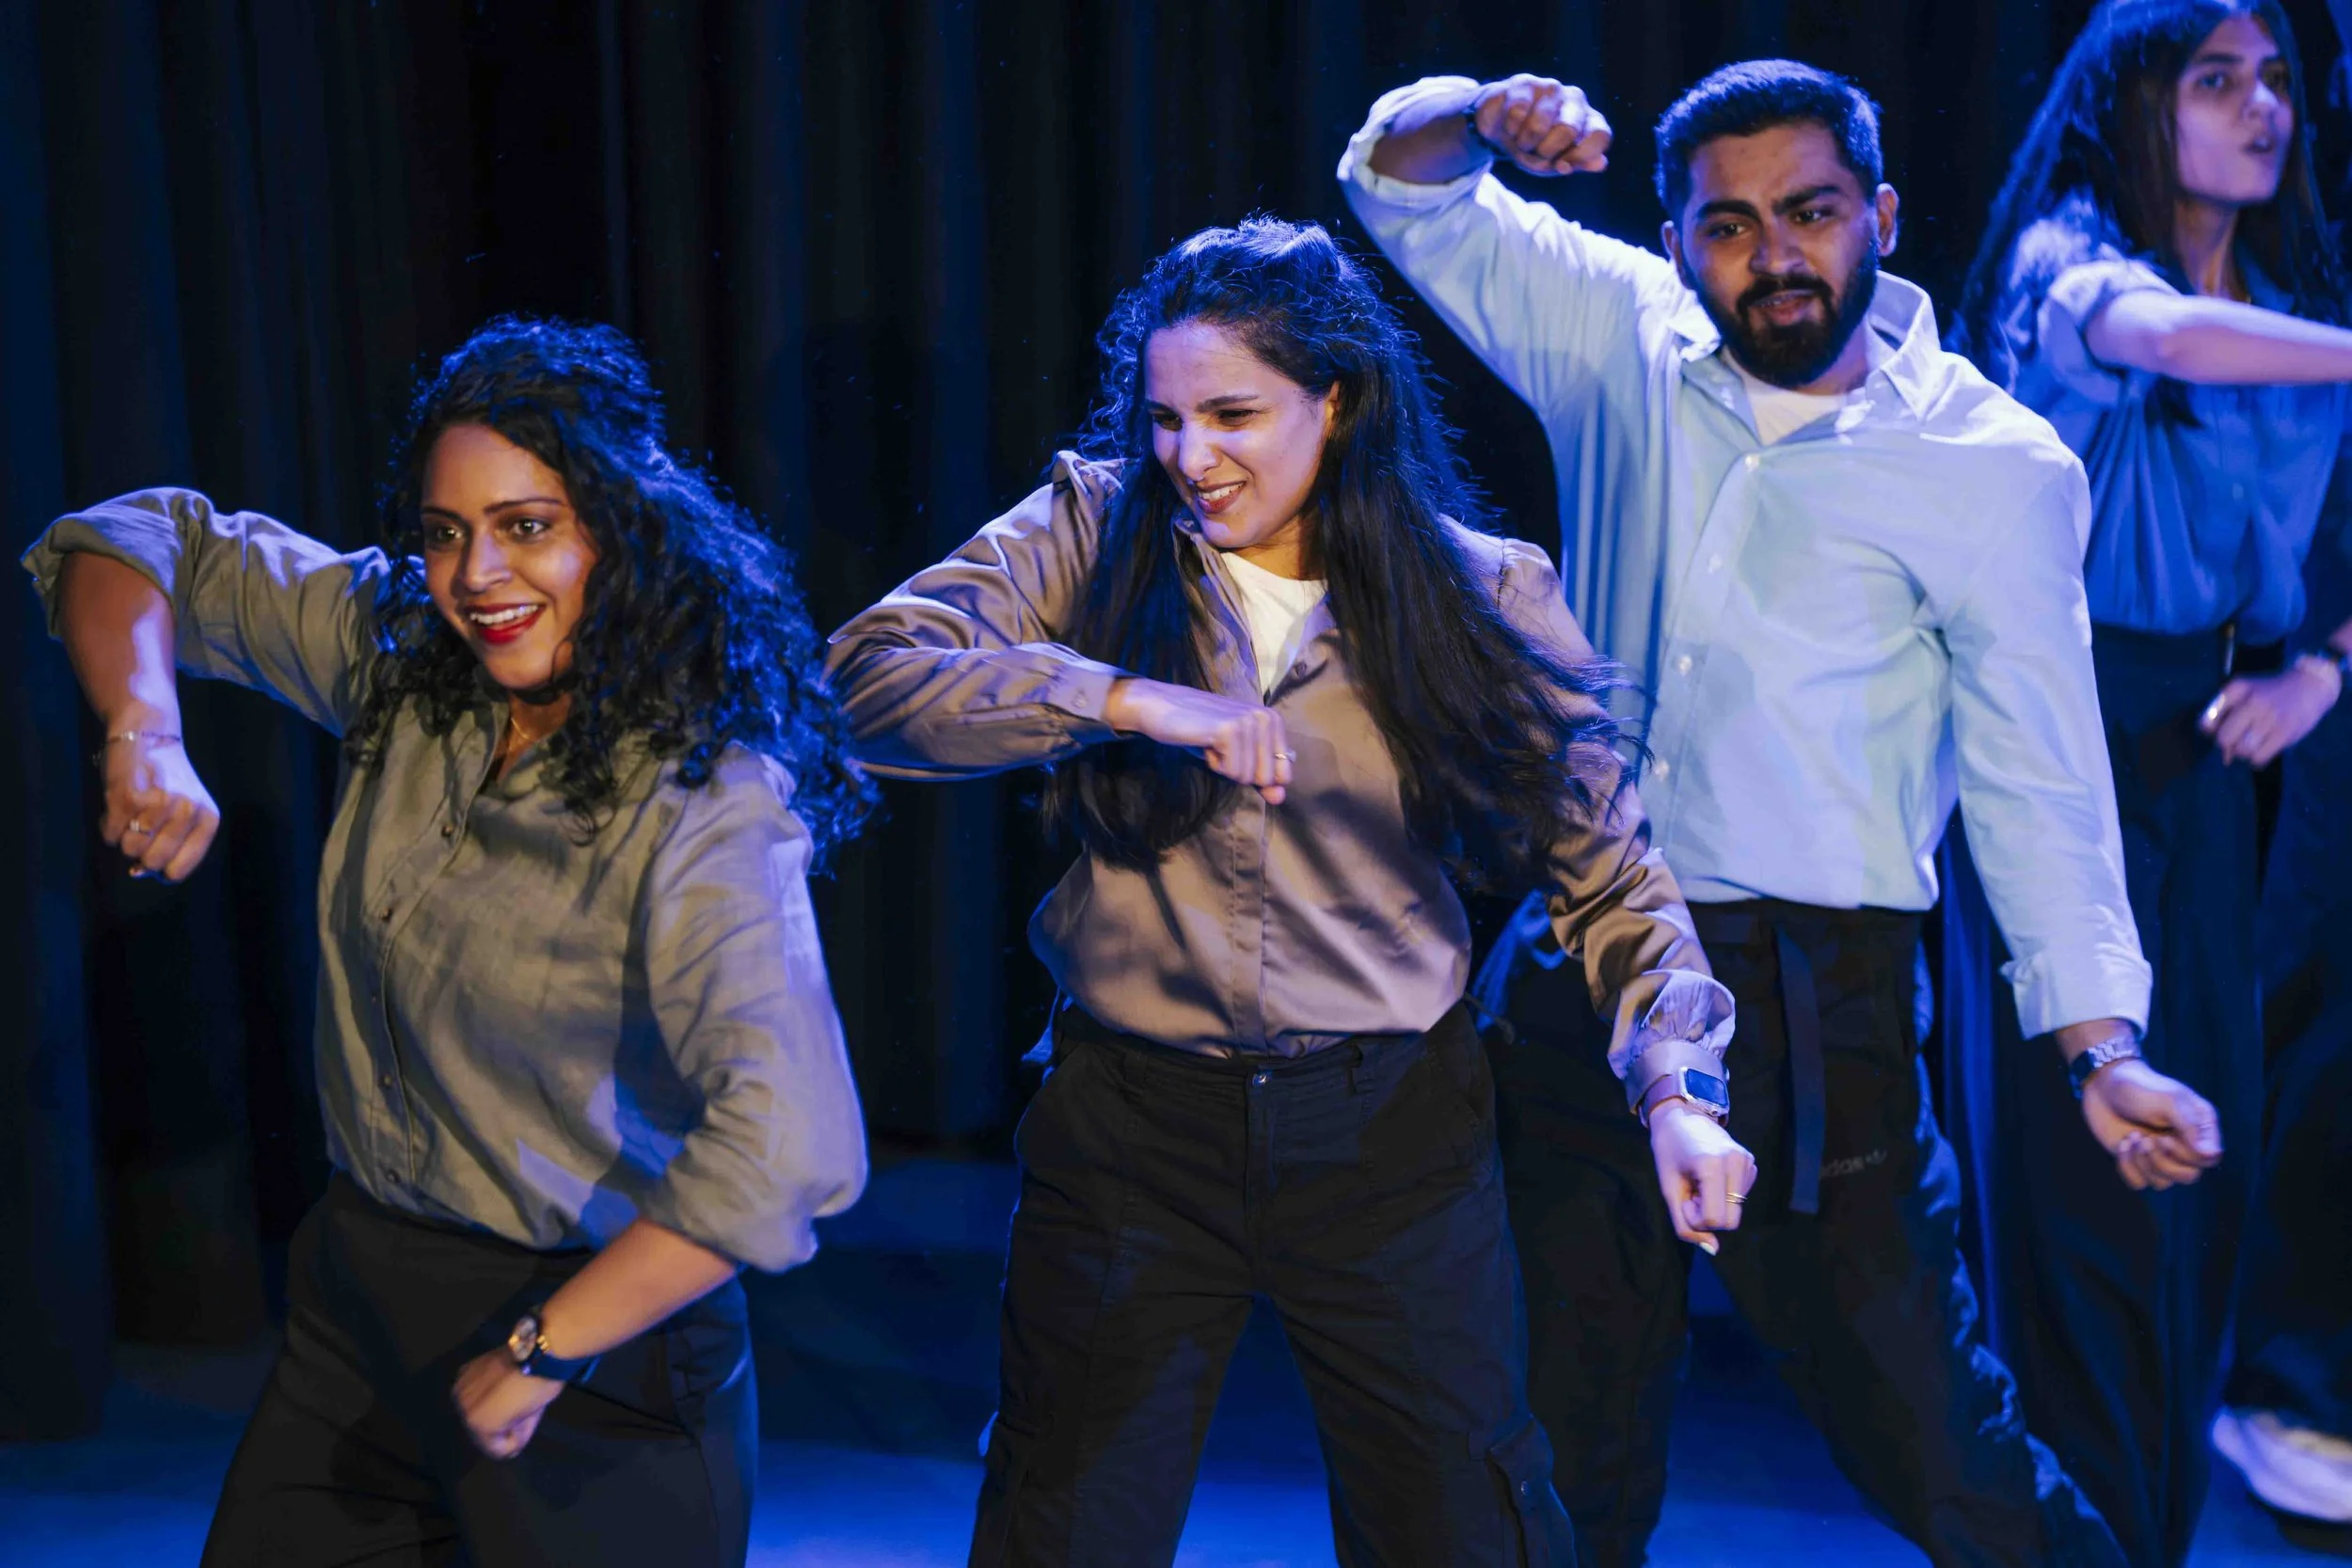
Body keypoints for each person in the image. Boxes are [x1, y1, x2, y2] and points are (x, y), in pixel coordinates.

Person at [1343, 58, 2226, 1568]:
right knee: (1557, 1448)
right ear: (1681, 240)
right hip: (1591, 963)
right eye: (1731, 226)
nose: (1775, 255)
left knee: (1940, 1451)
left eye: (1811, 213)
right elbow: (1397, 183)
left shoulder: (1994, 468)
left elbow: (2042, 782)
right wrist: (1482, 108)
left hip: (1821, 1005)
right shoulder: (1625, 336)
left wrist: (2103, 1043)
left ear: (1878, 213)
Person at [825, 216, 1749, 1568]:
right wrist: (1127, 698)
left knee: (1463, 1525)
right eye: (1166, 418)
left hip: (1388, 1136)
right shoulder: (1095, 526)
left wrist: (1680, 1089)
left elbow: (1614, 870)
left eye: (1235, 415)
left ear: (1338, 400)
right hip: (1134, 1125)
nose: (1191, 458)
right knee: (1061, 1520)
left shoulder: (1479, 591)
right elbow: (866, 680)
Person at [23, 317, 873, 1567]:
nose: (478, 575)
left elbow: (793, 1144)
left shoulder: (703, 798)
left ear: (618, 530)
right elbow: (136, 539)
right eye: (444, 532)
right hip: (361, 1300)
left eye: (528, 526)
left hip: (598, 1361)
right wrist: (143, 728)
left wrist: (548, 1345)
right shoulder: (407, 665)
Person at [1950, 3, 2352, 1560]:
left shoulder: (2293, 299)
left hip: (2195, 754)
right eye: (2217, 80)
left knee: (2203, 1184)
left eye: (2278, 83)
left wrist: (2322, 663)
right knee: (2079, 1193)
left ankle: (2150, 1537)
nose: (2263, 111)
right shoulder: (2069, 262)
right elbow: (2167, 341)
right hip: (2054, 739)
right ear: (2137, 100)